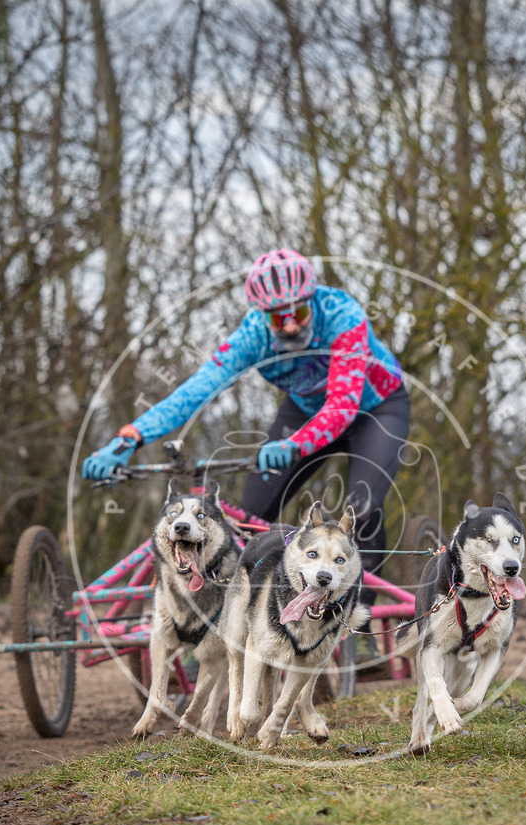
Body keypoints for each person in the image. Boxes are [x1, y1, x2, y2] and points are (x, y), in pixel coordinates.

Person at [82, 249, 410, 661]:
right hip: (306, 410)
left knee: (362, 507)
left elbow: (342, 407)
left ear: (312, 300)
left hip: (374, 409)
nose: (289, 323)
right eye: (277, 316)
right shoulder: (252, 335)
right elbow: (196, 391)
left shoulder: (343, 315)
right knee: (249, 518)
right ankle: (242, 627)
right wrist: (129, 437)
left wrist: (292, 446)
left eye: (298, 312)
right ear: (261, 314)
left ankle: (357, 622)